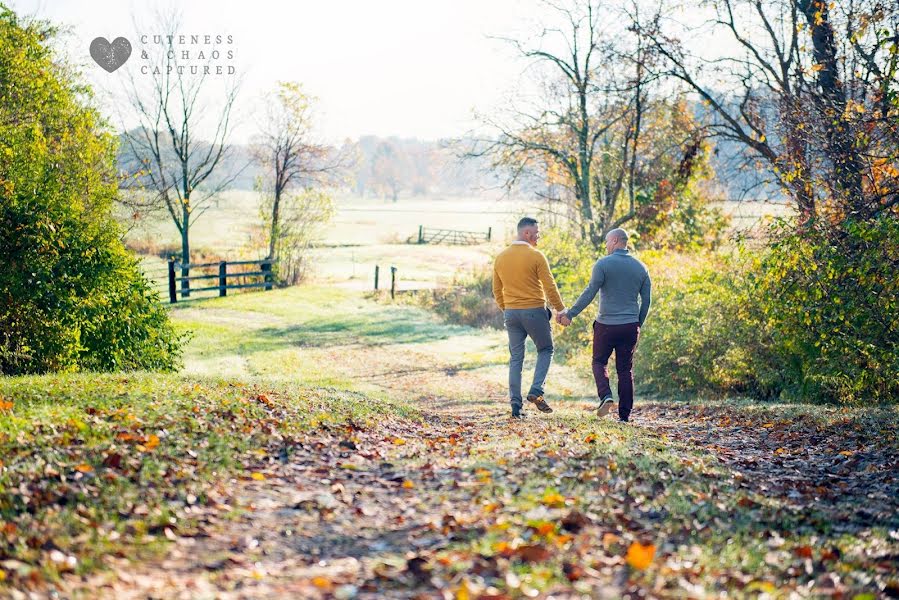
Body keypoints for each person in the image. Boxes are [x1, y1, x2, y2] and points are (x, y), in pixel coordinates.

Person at [557, 228, 651, 422]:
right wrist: (637, 323)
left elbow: (590, 291)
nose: (606, 246)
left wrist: (571, 313)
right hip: (629, 326)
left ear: (615, 240)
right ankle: (624, 417)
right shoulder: (641, 267)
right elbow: (646, 300)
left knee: (599, 362)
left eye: (608, 242)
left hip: (606, 325)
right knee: (625, 369)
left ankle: (606, 396)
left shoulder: (603, 264)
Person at [492, 217, 567, 419]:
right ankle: (536, 390)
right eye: (537, 233)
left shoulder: (500, 257)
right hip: (534, 310)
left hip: (511, 313)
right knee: (546, 349)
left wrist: (507, 309)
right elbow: (550, 286)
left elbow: (496, 290)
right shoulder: (536, 256)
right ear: (526, 233)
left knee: (516, 358)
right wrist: (561, 310)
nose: (538, 237)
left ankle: (516, 406)